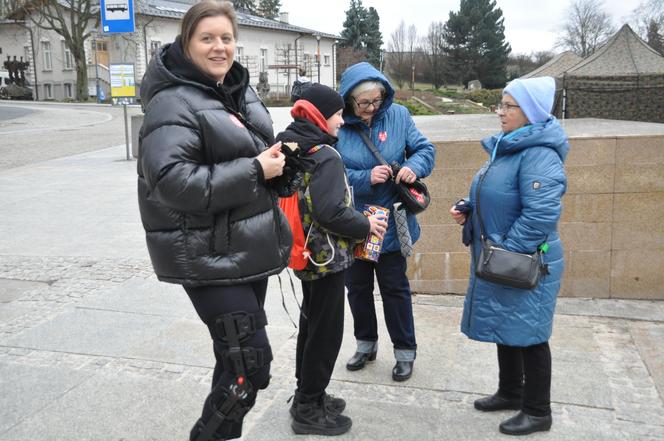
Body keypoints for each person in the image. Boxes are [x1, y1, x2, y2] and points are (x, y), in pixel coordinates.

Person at [136, 2, 292, 440]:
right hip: (207, 255)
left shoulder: (236, 91)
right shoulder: (173, 102)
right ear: (187, 43)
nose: (219, 47)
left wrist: (282, 168)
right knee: (249, 367)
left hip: (245, 247)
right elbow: (171, 181)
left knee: (232, 363)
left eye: (226, 38)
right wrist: (256, 170)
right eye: (207, 38)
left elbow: (255, 155)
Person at [450, 76, 568, 436]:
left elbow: (540, 214)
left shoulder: (539, 154)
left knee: (531, 334)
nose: (500, 112)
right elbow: (498, 194)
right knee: (508, 325)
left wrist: (507, 250)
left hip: (526, 259)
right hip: (504, 255)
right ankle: (511, 391)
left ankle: (537, 411)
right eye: (500, 104)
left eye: (509, 106)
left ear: (529, 112)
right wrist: (470, 208)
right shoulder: (510, 147)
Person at [276, 83, 388, 436]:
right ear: (321, 115)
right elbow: (329, 212)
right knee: (325, 332)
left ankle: (308, 393)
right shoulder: (324, 154)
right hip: (325, 256)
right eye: (338, 113)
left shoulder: (291, 143)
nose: (342, 120)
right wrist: (366, 224)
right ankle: (309, 407)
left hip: (302, 253)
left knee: (311, 326)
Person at [335, 62, 436, 382]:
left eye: (376, 100)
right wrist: (365, 178)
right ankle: (365, 345)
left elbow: (425, 150)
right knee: (357, 288)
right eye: (363, 103)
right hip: (355, 221)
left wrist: (413, 168)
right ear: (349, 101)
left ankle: (405, 352)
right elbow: (331, 172)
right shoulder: (339, 126)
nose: (370, 108)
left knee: (395, 289)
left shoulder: (400, 116)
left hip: (391, 220)